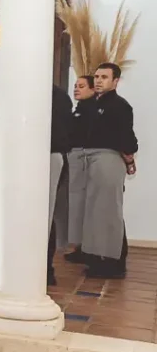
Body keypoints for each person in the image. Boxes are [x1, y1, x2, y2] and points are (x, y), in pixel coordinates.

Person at [80, 63, 136, 279]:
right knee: (96, 212)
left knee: (109, 212)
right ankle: (98, 259)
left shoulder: (120, 106)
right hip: (93, 159)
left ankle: (114, 263)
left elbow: (127, 139)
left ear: (115, 81)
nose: (99, 80)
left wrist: (129, 156)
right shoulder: (92, 104)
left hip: (109, 160)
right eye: (96, 76)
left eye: (104, 77)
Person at [64, 75, 96, 264]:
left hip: (84, 158)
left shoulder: (92, 111)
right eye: (75, 86)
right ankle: (78, 245)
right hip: (74, 156)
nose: (76, 89)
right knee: (75, 202)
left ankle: (86, 247)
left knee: (82, 202)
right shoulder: (79, 109)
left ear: (93, 89)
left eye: (81, 86)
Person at [47, 84, 74, 286]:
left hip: (50, 154)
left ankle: (45, 269)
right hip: (49, 155)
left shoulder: (57, 97)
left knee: (46, 216)